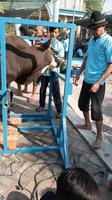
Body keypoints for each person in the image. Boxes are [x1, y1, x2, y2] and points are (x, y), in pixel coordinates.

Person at [73, 10, 112, 149]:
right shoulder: (92, 40)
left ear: (103, 27)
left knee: (96, 111)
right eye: (92, 29)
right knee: (82, 104)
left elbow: (111, 65)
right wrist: (78, 74)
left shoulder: (109, 42)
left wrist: (98, 82)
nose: (94, 31)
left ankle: (99, 137)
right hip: (87, 79)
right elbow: (86, 58)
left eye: (96, 29)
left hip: (98, 83)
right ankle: (87, 124)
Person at [36, 27, 64, 118]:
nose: (53, 34)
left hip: (54, 71)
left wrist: (54, 61)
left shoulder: (60, 45)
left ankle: (59, 110)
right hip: (45, 71)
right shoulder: (45, 43)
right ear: (49, 32)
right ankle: (41, 106)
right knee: (42, 89)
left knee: (56, 91)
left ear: (58, 33)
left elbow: (61, 59)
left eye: (55, 32)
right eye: (52, 31)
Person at [27, 26, 45, 101]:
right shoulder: (33, 38)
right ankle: (29, 92)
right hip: (34, 60)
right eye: (35, 30)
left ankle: (33, 94)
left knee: (38, 78)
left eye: (37, 30)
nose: (36, 31)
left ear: (42, 31)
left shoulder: (44, 39)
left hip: (41, 62)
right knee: (32, 77)